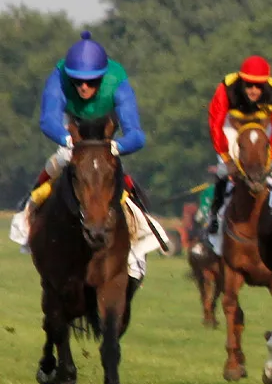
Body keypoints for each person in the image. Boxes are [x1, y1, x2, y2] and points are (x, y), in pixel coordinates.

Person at [9, 33, 166, 272]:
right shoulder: (59, 77)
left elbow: (136, 134)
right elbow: (48, 120)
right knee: (56, 163)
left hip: (106, 138)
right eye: (78, 81)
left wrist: (116, 147)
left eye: (91, 81)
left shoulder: (118, 81)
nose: (83, 86)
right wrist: (66, 140)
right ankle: (28, 213)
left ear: (102, 77)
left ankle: (139, 237)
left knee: (115, 179)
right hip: (73, 136)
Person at [197, 55, 272, 234]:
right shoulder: (227, 86)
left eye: (258, 86)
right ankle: (215, 216)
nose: (253, 90)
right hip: (232, 127)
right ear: (241, 81)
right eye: (249, 85)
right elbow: (215, 123)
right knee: (225, 171)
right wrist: (226, 158)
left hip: (262, 129)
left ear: (265, 84)